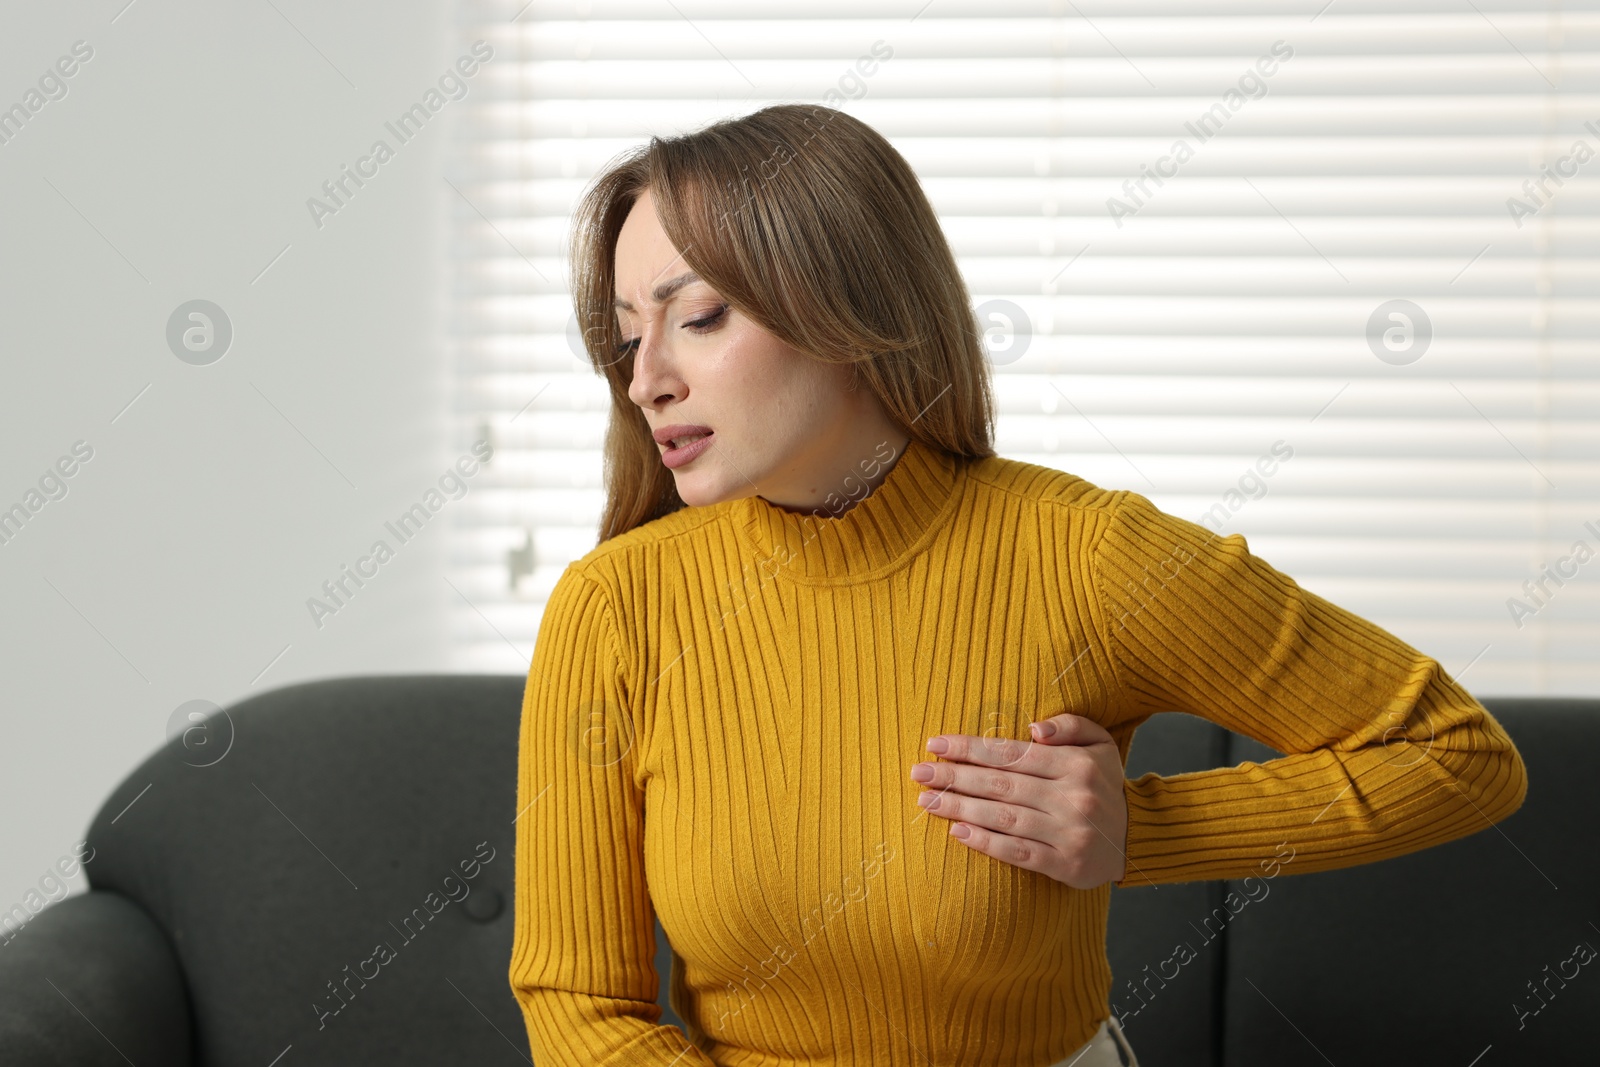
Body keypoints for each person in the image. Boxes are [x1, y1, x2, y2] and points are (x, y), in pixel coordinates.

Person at [508, 103, 1527, 1067]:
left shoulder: (1088, 556)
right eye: (628, 332)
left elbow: (1456, 753)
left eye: (701, 314)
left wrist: (1143, 830)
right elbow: (575, 1002)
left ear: (849, 307)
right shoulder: (615, 607)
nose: (646, 377)